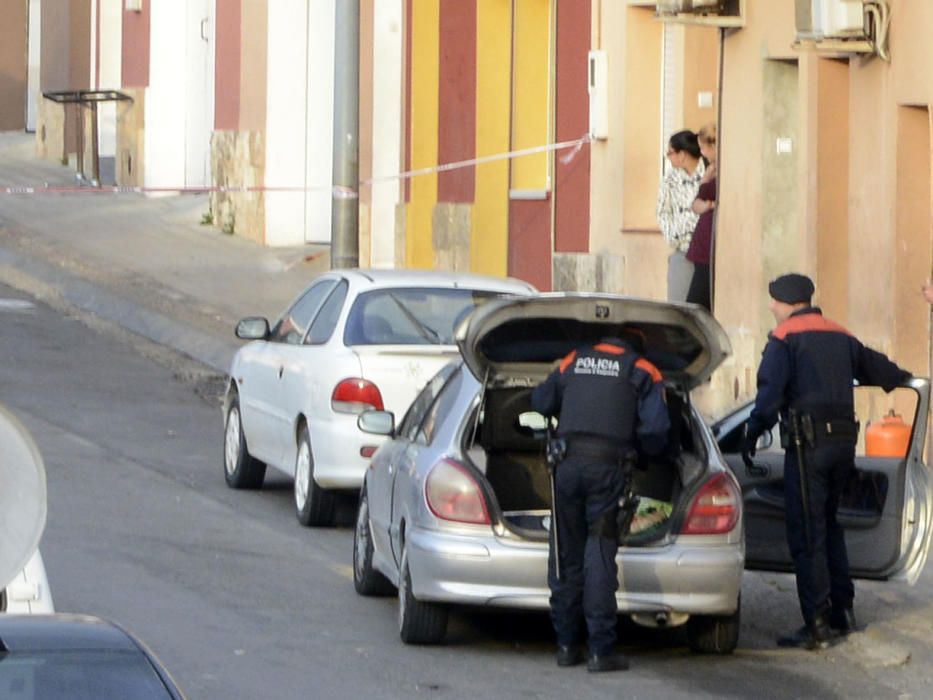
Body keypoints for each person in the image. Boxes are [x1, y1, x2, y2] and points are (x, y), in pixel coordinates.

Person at [742, 273, 912, 650]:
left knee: (807, 534)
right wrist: (906, 379)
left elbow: (769, 395)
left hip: (807, 449)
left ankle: (817, 623)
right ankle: (843, 611)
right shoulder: (840, 335)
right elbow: (881, 370)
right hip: (842, 448)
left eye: (774, 301)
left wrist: (752, 433)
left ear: (787, 302)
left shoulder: (784, 339)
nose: (771, 307)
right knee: (831, 527)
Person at [530, 332, 670, 672]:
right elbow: (657, 430)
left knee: (566, 555)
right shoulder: (642, 369)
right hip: (608, 474)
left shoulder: (573, 360)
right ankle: (600, 650)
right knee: (600, 555)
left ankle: (565, 646)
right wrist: (644, 455)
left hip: (566, 469)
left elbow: (540, 402)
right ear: (636, 345)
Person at [656, 130, 705, 302]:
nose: (668, 157)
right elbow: (662, 211)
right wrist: (672, 235)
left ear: (682, 154)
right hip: (681, 248)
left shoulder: (708, 173)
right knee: (678, 305)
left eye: (670, 153)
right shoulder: (670, 179)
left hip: (705, 250)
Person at [685, 123, 717, 311]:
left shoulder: (720, 170)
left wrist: (707, 205)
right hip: (704, 242)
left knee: (696, 303)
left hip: (710, 244)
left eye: (703, 148)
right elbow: (697, 204)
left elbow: (704, 203)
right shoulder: (710, 169)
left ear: (712, 146)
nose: (702, 153)